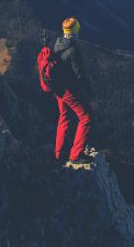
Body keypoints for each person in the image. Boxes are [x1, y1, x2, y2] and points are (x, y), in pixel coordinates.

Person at [53, 17, 93, 165]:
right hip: (69, 90)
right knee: (86, 119)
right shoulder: (73, 50)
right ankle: (76, 155)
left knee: (64, 118)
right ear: (76, 31)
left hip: (58, 89)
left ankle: (59, 154)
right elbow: (79, 75)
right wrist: (88, 93)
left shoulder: (58, 44)